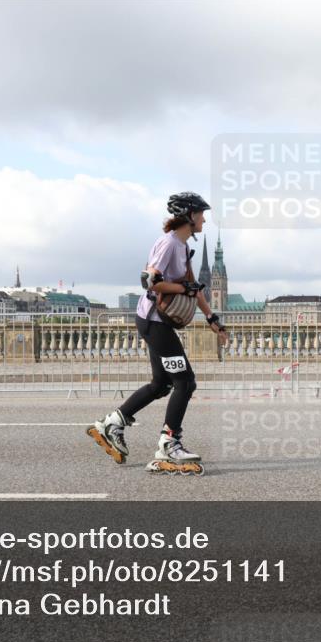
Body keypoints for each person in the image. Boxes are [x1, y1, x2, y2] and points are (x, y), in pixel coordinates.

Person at [87, 192, 229, 475]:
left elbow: (195, 287)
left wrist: (212, 318)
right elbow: (149, 281)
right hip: (154, 322)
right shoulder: (168, 244)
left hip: (157, 323)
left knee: (161, 384)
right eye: (201, 214)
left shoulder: (183, 247)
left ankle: (112, 423)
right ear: (188, 215)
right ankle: (169, 442)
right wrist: (181, 289)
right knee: (185, 382)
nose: (203, 219)